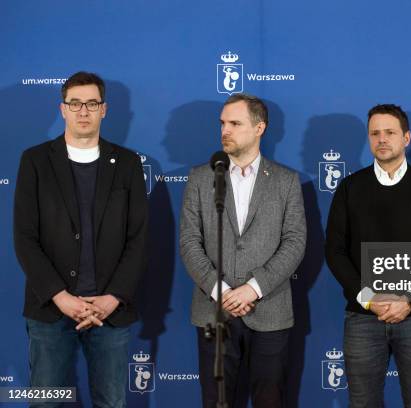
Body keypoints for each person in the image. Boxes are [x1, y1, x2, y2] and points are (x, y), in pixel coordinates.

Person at [13, 71, 148, 407]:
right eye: (75, 103)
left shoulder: (129, 163)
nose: (83, 111)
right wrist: (60, 297)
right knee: (45, 402)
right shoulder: (35, 161)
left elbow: (138, 238)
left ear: (104, 109)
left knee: (111, 402)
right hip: (51, 309)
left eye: (91, 103)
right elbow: (25, 237)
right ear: (63, 109)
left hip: (110, 312)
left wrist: (113, 296)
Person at [180, 93, 306, 408]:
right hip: (213, 313)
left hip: (270, 311)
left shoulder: (286, 181)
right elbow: (189, 242)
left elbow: (294, 242)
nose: (226, 130)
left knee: (269, 401)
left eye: (235, 123)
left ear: (259, 127)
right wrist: (220, 291)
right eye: (223, 123)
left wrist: (252, 289)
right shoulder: (198, 178)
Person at [325, 104, 411, 407]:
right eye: (375, 133)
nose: (382, 139)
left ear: (406, 138)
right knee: (362, 403)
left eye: (390, 132)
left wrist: (408, 298)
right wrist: (369, 297)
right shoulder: (350, 187)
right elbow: (335, 250)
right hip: (363, 317)